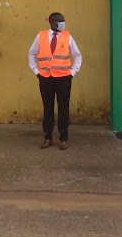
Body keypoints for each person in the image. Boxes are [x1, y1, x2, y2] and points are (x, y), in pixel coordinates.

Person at [28, 12, 82, 150]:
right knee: (48, 108)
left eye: (63, 20)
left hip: (64, 79)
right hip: (46, 79)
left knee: (63, 108)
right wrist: (37, 72)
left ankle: (64, 138)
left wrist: (72, 73)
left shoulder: (67, 36)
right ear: (51, 22)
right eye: (60, 21)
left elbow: (77, 56)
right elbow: (31, 54)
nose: (63, 23)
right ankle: (47, 137)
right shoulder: (40, 36)